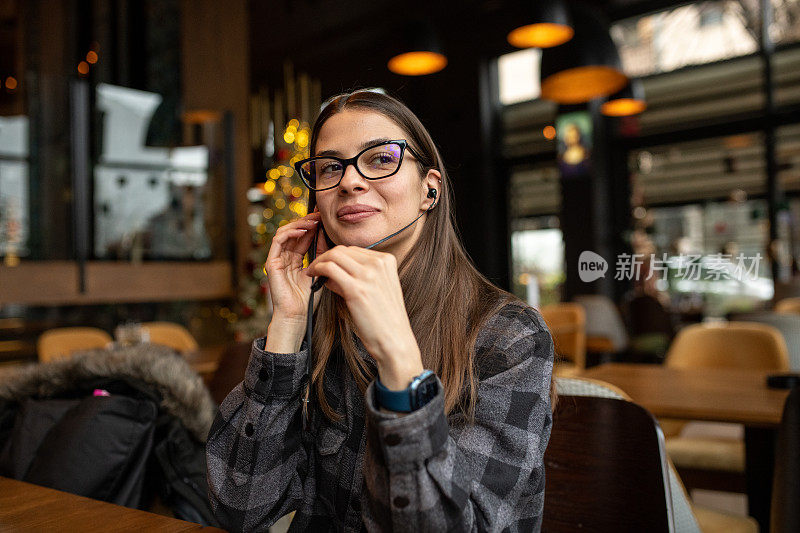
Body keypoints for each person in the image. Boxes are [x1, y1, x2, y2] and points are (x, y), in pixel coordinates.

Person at [206, 90, 555, 532]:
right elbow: (241, 508)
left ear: (430, 187)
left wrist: (399, 363)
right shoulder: (320, 322)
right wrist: (288, 324)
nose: (350, 181)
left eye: (380, 158)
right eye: (331, 167)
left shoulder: (510, 336)